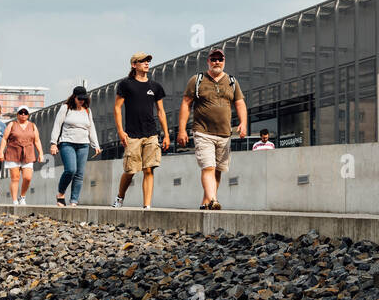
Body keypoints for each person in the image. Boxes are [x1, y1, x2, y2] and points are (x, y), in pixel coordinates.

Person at [177, 48, 247, 210]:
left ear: (224, 61)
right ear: (208, 61)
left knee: (217, 171)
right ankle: (214, 199)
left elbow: (240, 103)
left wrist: (243, 123)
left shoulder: (231, 81)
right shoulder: (197, 80)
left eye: (220, 59)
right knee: (208, 167)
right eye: (213, 59)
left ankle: (206, 202)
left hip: (224, 133)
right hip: (203, 131)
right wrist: (182, 129)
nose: (217, 62)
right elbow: (186, 104)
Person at [112, 53, 168, 208]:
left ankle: (147, 206)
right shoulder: (126, 84)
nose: (146, 63)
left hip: (151, 133)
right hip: (132, 135)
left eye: (148, 61)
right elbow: (117, 108)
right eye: (142, 61)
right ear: (134, 65)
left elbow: (161, 112)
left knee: (149, 169)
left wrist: (166, 134)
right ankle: (120, 197)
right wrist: (120, 131)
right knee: (130, 171)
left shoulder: (155, 87)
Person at [49, 85, 102, 206]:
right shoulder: (65, 108)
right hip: (67, 143)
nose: (81, 101)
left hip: (83, 145)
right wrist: (53, 143)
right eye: (79, 98)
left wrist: (96, 145)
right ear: (74, 97)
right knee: (71, 170)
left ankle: (74, 200)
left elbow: (91, 128)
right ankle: (61, 193)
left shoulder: (87, 110)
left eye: (83, 98)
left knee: (79, 173)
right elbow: (57, 125)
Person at [0, 107, 43, 206]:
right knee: (15, 178)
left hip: (28, 153)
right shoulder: (12, 124)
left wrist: (40, 153)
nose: (23, 114)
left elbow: (37, 140)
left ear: (28, 115)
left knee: (27, 178)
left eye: (25, 113)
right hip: (13, 152)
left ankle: (22, 196)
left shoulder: (32, 126)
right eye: (21, 112)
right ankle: (15, 200)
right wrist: (1, 152)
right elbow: (4, 139)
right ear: (17, 114)